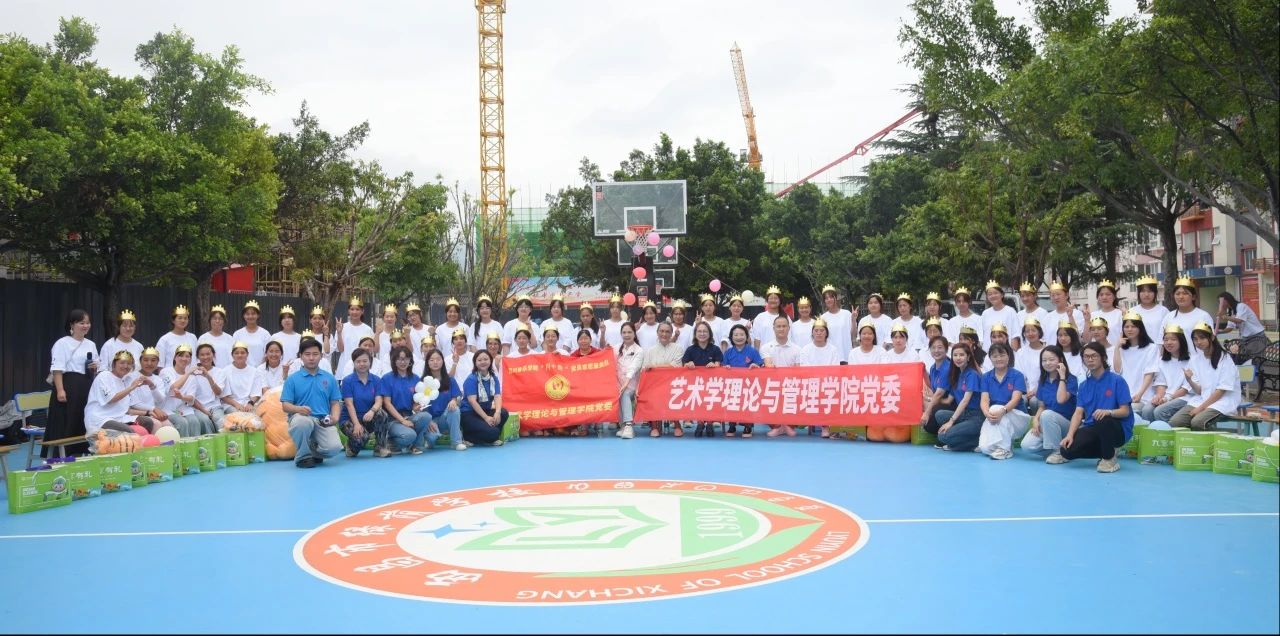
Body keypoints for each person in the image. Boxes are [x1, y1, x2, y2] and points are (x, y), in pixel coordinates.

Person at [1054, 341, 1134, 472]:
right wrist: (1069, 435)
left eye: (1094, 356)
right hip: (1093, 427)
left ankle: (1109, 459)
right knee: (1066, 451)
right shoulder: (1084, 385)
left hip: (1116, 428)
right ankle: (1108, 450)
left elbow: (1125, 411)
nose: (1090, 359)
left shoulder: (1117, 380)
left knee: (1103, 419)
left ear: (1103, 357)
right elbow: (1078, 413)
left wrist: (1109, 412)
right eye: (1086, 357)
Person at [280, 336, 344, 468]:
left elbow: (335, 402)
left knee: (334, 448)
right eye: (307, 354)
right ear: (300, 356)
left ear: (321, 356)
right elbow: (285, 405)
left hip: (322, 421)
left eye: (315, 354)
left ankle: (314, 452)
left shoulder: (329, 378)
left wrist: (335, 417)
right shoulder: (292, 379)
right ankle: (303, 457)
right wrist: (298, 409)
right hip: (301, 417)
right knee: (302, 423)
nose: (311, 358)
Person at [1168, 322, 1240, 431]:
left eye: (1202, 338)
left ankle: (1214, 440)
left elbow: (1221, 391)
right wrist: (1189, 380)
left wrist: (1201, 408)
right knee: (1175, 422)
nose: (1198, 342)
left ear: (1212, 337)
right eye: (1195, 339)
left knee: (1198, 422)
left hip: (1222, 402)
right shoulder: (1195, 359)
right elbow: (1199, 391)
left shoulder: (1225, 359)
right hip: (1202, 400)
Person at [84, 351, 170, 438]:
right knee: (129, 432)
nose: (125, 366)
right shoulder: (104, 376)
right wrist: (132, 387)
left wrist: (148, 413)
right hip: (101, 418)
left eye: (129, 364)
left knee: (148, 422)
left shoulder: (124, 381)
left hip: (120, 418)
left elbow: (127, 410)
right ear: (114, 364)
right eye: (122, 363)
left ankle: (150, 445)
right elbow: (111, 399)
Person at [1019, 345, 1079, 461]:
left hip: (1067, 424)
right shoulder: (1043, 380)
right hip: (1047, 422)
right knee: (1027, 446)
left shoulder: (1071, 379)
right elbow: (1042, 406)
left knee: (1047, 414)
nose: (1047, 363)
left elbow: (1061, 399)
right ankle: (1062, 449)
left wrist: (1062, 377)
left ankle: (1058, 453)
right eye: (1044, 360)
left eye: (1051, 359)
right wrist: (1036, 420)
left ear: (1061, 360)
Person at [975, 343, 1029, 460]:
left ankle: (1005, 450)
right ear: (990, 358)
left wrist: (1003, 410)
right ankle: (1002, 446)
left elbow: (1016, 399)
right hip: (996, 416)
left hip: (1018, 417)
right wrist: (986, 413)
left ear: (1008, 356)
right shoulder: (986, 377)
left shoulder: (1017, 375)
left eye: (1002, 355)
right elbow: (984, 400)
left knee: (995, 408)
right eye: (995, 356)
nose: (999, 359)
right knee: (985, 449)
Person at [379, 345, 432, 455]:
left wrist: (416, 407)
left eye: (405, 359)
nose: (403, 362)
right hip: (392, 419)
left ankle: (413, 445)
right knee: (409, 435)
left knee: (426, 416)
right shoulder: (387, 378)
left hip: (409, 416)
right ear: (394, 361)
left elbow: (415, 402)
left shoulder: (415, 378)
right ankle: (391, 443)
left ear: (410, 361)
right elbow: (387, 403)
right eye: (399, 359)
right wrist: (402, 421)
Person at [934, 342, 984, 452]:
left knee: (943, 437)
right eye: (955, 355)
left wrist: (951, 422)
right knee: (939, 414)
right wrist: (930, 398)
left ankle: (979, 441)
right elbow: (948, 400)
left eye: (961, 355)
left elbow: (965, 400)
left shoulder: (972, 374)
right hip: (963, 414)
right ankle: (960, 439)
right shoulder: (957, 375)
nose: (958, 358)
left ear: (968, 357)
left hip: (976, 417)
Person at [640, 322, 686, 438]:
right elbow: (645, 369)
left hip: (673, 384)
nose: (664, 334)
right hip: (654, 386)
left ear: (671, 334)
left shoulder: (678, 348)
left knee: (672, 392)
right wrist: (652, 368)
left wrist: (654, 367)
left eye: (667, 332)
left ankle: (677, 424)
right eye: (661, 331)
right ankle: (655, 426)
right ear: (657, 333)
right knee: (652, 393)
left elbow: (675, 367)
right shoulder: (650, 350)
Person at [798, 318, 841, 438]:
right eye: (816, 330)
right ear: (812, 333)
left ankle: (826, 425)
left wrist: (824, 380)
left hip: (828, 383)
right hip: (811, 383)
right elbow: (805, 369)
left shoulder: (833, 349)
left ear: (826, 333)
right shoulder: (806, 349)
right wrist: (817, 379)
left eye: (822, 330)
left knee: (829, 392)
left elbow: (835, 369)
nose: (819, 333)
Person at [340, 348, 387, 457]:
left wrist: (372, 411)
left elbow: (379, 400)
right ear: (354, 363)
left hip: (368, 417)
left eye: (365, 361)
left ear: (370, 362)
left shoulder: (376, 380)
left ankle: (380, 447)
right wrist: (356, 424)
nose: (362, 364)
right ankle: (350, 446)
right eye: (358, 361)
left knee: (382, 414)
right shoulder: (347, 381)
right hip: (349, 420)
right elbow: (349, 404)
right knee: (361, 439)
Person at [1113, 312, 1159, 417]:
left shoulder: (1151, 347)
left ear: (1140, 328)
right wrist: (1116, 348)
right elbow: (1117, 370)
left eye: (1133, 326)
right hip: (1124, 396)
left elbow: (1149, 373)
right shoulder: (1121, 349)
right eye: (1126, 327)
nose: (1129, 329)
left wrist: (1140, 394)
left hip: (1143, 396)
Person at [762, 314, 802, 437]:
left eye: (784, 326)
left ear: (789, 328)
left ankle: (788, 425)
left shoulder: (797, 349)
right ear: (773, 328)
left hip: (791, 383)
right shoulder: (766, 347)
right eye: (778, 326)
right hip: (773, 383)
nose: (781, 329)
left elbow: (797, 370)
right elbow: (768, 365)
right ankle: (777, 426)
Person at [420, 348, 467, 451]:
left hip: (445, 417)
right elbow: (420, 406)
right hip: (430, 421)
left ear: (443, 361)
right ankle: (429, 437)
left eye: (438, 359)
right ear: (427, 363)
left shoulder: (450, 380)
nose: (435, 362)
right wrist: (429, 421)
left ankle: (456, 443)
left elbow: (456, 396)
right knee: (431, 440)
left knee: (455, 409)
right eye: (432, 360)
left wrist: (454, 400)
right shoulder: (422, 382)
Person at [1143, 324, 1192, 422]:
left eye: (1173, 339)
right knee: (1147, 410)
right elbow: (1161, 384)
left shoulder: (1191, 361)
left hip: (1184, 397)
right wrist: (1158, 397)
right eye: (1166, 340)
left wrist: (1167, 399)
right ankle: (1151, 431)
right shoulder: (1161, 361)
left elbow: (1185, 389)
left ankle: (1164, 431)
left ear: (1181, 341)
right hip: (1166, 396)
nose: (1169, 342)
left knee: (1159, 411)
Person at [460, 350, 510, 446]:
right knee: (493, 433)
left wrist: (497, 412)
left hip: (485, 410)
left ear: (490, 361)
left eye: (486, 359)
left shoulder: (493, 377)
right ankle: (467, 436)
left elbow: (497, 396)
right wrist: (486, 418)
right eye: (479, 360)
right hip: (469, 414)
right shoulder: (471, 379)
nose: (483, 362)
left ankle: (491, 435)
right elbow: (472, 401)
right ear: (475, 362)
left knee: (503, 412)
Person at [684, 321, 724, 438]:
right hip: (695, 384)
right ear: (695, 334)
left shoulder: (715, 349)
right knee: (697, 394)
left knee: (710, 395)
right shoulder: (690, 350)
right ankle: (700, 422)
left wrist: (714, 365)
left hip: (712, 384)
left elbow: (719, 365)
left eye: (705, 331)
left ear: (709, 334)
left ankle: (710, 422)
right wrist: (688, 364)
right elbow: (684, 366)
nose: (702, 334)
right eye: (699, 331)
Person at [722, 324, 764, 438]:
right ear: (731, 337)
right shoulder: (728, 352)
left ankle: (748, 425)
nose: (739, 337)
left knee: (747, 405)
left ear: (746, 336)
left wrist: (755, 366)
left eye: (742, 334)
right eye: (735, 335)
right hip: (732, 385)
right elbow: (723, 367)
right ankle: (732, 425)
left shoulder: (753, 351)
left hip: (748, 385)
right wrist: (726, 368)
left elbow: (760, 365)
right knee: (732, 404)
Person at [158, 344, 207, 437]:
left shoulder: (192, 377)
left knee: (194, 422)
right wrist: (187, 373)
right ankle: (183, 446)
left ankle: (194, 445)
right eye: (181, 355)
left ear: (190, 360)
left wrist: (182, 397)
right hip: (167, 409)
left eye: (187, 356)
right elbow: (174, 387)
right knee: (182, 423)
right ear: (175, 357)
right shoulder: (166, 371)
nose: (184, 359)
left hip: (184, 409)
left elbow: (191, 398)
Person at [214, 341, 265, 428]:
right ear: (232, 355)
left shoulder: (254, 371)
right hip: (231, 405)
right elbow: (224, 396)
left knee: (260, 418)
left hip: (249, 404)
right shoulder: (225, 371)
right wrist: (236, 405)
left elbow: (256, 393)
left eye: (242, 353)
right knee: (241, 419)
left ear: (247, 354)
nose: (240, 355)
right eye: (236, 353)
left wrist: (250, 403)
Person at [129, 348, 174, 434]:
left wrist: (152, 386)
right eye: (146, 360)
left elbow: (160, 401)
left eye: (153, 360)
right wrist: (153, 409)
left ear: (157, 362)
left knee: (168, 426)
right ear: (140, 361)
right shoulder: (132, 377)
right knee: (156, 425)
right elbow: (134, 404)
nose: (149, 363)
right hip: (137, 413)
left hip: (153, 413)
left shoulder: (158, 379)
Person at [1216, 291, 1268, 363]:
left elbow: (1239, 320)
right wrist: (1219, 331)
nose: (1220, 304)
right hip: (1246, 339)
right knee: (1241, 359)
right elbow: (1230, 328)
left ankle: (1257, 369)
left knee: (1255, 360)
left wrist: (1224, 316)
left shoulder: (1241, 306)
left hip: (1256, 336)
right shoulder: (1231, 311)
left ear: (1226, 300)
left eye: (1220, 302)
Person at [615, 322, 645, 440]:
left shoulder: (639, 350)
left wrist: (626, 383)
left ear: (634, 334)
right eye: (624, 332)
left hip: (632, 385)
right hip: (617, 383)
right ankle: (622, 426)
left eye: (629, 332)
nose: (626, 335)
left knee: (625, 393)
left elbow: (633, 368)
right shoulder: (616, 348)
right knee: (616, 393)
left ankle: (628, 426)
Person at [919, 335, 952, 436]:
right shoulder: (933, 368)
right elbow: (933, 388)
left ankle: (949, 433)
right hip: (941, 402)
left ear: (946, 349)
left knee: (931, 418)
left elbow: (938, 394)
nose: (936, 351)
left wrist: (927, 413)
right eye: (933, 347)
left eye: (940, 347)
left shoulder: (948, 367)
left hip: (952, 404)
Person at [190, 344, 228, 430]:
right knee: (204, 420)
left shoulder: (220, 372)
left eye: (208, 354)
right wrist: (203, 410)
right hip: (198, 408)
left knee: (221, 421)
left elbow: (218, 392)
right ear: (198, 357)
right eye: (202, 355)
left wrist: (208, 376)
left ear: (213, 355)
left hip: (215, 407)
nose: (205, 357)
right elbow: (191, 397)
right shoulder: (192, 373)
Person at [335, 297, 373, 378]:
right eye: (352, 309)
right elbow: (340, 349)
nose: (354, 312)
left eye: (357, 309)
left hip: (362, 367)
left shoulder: (368, 329)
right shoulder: (342, 327)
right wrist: (339, 333)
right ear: (348, 311)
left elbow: (371, 350)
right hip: (344, 365)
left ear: (362, 311)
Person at [1014, 318, 1046, 410]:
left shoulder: (1047, 350)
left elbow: (1048, 374)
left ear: (1039, 332)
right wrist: (1026, 390)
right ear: (1024, 334)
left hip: (1043, 388)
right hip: (1025, 390)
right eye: (1027, 331)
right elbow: (1019, 374)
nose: (1030, 333)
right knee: (1020, 400)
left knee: (1034, 401)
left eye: (1033, 330)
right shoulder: (1020, 352)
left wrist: (1036, 390)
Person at [156, 305, 198, 370]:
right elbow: (160, 365)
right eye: (180, 318)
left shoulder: (193, 337)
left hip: (192, 375)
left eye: (185, 318)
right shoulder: (165, 339)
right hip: (172, 375)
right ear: (173, 320)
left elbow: (196, 359)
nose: (183, 320)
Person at [1082, 280, 1123, 347]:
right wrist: (1087, 321)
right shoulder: (1092, 315)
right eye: (1101, 295)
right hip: (1096, 352)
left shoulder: (1120, 314)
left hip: (1116, 351)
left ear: (1114, 297)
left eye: (1108, 294)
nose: (1104, 297)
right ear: (1097, 298)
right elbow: (1086, 340)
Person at [232, 300, 273, 368]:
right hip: (242, 370)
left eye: (253, 314)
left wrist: (260, 368)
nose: (250, 316)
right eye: (247, 314)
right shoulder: (237, 334)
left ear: (258, 315)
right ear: (244, 316)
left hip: (261, 370)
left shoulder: (265, 334)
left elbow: (268, 354)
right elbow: (234, 353)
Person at [981, 281, 1020, 351]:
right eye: (990, 294)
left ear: (1002, 295)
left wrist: (1013, 353)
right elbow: (983, 335)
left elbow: (1015, 335)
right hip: (989, 353)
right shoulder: (985, 314)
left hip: (1006, 353)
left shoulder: (1010, 312)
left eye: (995, 293)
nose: (993, 296)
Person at [820, 285, 855, 359]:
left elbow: (853, 335)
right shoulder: (823, 318)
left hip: (846, 354)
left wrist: (853, 320)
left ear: (835, 298)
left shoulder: (846, 314)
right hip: (830, 357)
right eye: (826, 298)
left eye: (831, 297)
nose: (829, 300)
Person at [1015, 282, 1049, 349]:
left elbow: (1045, 336)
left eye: (1028, 295)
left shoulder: (1043, 313)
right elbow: (1018, 336)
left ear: (1035, 296)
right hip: (1024, 351)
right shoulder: (1019, 314)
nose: (1025, 298)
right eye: (1022, 296)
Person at [375, 303, 400, 369]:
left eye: (392, 317)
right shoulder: (379, 333)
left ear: (396, 318)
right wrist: (377, 334)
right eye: (387, 317)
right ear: (383, 318)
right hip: (381, 366)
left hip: (397, 365)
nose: (389, 319)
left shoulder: (399, 333)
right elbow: (375, 350)